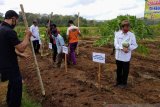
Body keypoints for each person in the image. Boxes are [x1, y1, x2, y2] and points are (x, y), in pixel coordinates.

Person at [0, 10, 32, 107]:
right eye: (16, 20)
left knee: (12, 83)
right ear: (13, 19)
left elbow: (6, 47)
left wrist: (19, 55)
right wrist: (27, 36)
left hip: (2, 64)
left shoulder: (1, 28)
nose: (17, 23)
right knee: (17, 84)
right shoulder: (9, 31)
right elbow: (21, 48)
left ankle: (9, 101)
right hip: (10, 65)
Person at [114, 20, 138, 88]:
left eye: (128, 28)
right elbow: (116, 44)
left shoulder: (131, 35)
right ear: (122, 27)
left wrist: (128, 48)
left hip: (126, 57)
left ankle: (124, 83)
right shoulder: (117, 34)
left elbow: (135, 45)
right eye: (125, 29)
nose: (126, 30)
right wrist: (122, 48)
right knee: (118, 70)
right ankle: (118, 82)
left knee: (125, 71)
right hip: (118, 56)